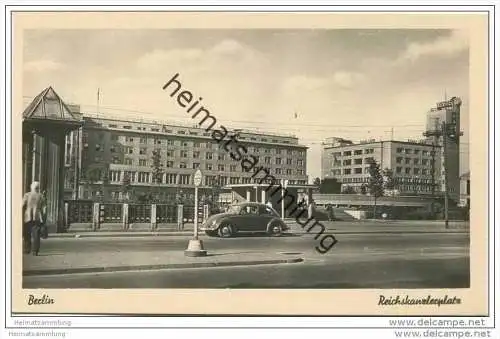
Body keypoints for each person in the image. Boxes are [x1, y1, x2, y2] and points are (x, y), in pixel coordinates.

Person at [22, 181, 46, 256]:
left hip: (27, 216)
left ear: (31, 187)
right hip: (37, 217)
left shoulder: (27, 195)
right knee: (36, 235)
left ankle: (27, 249)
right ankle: (35, 251)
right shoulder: (41, 196)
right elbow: (44, 208)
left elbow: (22, 205)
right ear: (38, 188)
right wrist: (43, 218)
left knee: (27, 234)